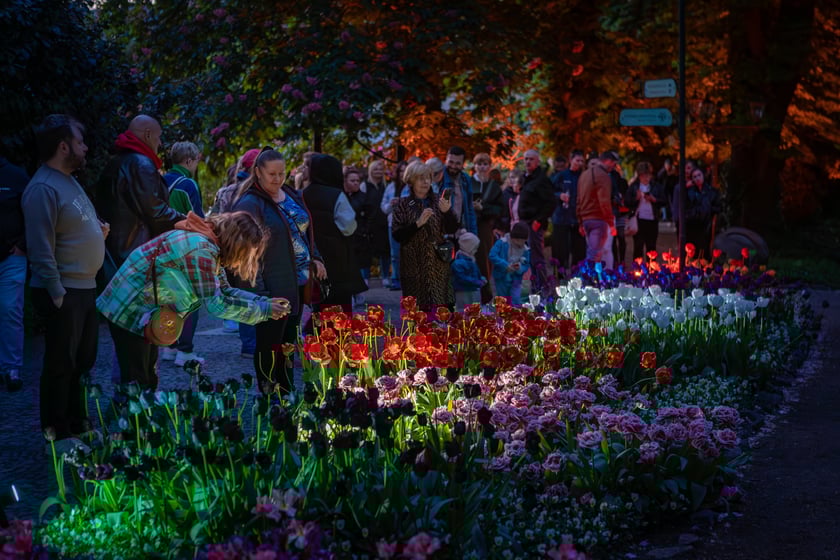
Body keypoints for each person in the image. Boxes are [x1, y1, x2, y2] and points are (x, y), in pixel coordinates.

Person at [97, 211, 290, 390]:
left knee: (145, 375)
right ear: (236, 244)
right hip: (128, 305)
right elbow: (217, 304)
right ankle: (128, 424)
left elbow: (224, 290)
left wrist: (262, 301)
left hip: (140, 305)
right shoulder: (202, 249)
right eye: (245, 254)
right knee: (136, 379)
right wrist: (263, 310)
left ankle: (137, 421)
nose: (242, 260)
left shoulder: (208, 242)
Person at [22, 115, 106, 450]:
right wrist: (56, 291)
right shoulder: (43, 187)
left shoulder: (69, 180)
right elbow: (40, 246)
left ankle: (77, 424)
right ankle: (57, 433)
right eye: (80, 141)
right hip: (64, 291)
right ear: (63, 146)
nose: (85, 147)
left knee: (82, 361)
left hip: (83, 287)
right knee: (61, 363)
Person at [233, 149, 326, 394]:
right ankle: (268, 394)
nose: (277, 179)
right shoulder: (249, 204)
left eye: (282, 173)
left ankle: (287, 392)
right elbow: (243, 256)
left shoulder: (291, 195)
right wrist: (259, 294)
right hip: (271, 287)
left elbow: (303, 232)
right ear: (257, 172)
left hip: (298, 282)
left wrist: (316, 258)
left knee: (287, 343)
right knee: (268, 344)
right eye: (271, 174)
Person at [95, 114, 184, 271]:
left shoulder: (116, 162)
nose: (160, 142)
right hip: (135, 256)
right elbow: (157, 212)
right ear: (148, 135)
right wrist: (189, 222)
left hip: (114, 254)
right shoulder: (141, 164)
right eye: (159, 137)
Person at [303, 154, 367, 314]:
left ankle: (318, 335)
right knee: (339, 305)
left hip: (313, 254)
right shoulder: (336, 195)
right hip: (337, 256)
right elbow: (348, 226)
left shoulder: (302, 194)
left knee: (320, 300)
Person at [211, 147, 260, 354]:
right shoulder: (257, 191)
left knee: (241, 292)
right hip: (252, 248)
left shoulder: (225, 192)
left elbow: (215, 217)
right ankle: (252, 344)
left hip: (228, 249)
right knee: (252, 292)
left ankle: (247, 344)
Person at [161, 141, 206, 366]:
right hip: (185, 247)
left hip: (162, 247)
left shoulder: (161, 179)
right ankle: (185, 352)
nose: (197, 165)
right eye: (197, 160)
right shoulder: (187, 183)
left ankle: (169, 347)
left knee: (169, 299)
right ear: (189, 160)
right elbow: (196, 218)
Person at [392, 161, 458, 311]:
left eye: (428, 177)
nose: (426, 182)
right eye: (421, 178)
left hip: (438, 263)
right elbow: (397, 235)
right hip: (413, 264)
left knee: (442, 306)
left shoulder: (438, 201)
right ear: (411, 179)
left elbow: (453, 228)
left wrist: (447, 212)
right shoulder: (403, 204)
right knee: (417, 310)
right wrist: (417, 224)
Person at [0, 155, 29, 392]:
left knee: (10, 309)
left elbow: (34, 212)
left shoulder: (15, 176)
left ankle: (11, 367)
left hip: (11, 255)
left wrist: (22, 245)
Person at [517, 149, 556, 296]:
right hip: (525, 223)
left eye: (531, 159)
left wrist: (539, 220)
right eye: (526, 159)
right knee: (528, 258)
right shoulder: (527, 178)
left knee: (536, 257)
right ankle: (535, 287)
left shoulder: (541, 179)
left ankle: (542, 289)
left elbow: (551, 202)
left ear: (537, 161)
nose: (527, 162)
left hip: (534, 224)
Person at [470, 153, 503, 303]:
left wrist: (483, 208)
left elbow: (500, 209)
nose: (482, 167)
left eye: (485, 164)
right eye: (479, 163)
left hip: (485, 226)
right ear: (474, 166)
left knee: (484, 260)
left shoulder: (494, 186)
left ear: (489, 166)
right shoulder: (468, 183)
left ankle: (485, 294)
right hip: (468, 225)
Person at [577, 151, 618, 268]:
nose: (613, 168)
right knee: (594, 254)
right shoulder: (603, 176)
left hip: (586, 219)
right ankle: (586, 281)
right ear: (608, 162)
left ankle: (589, 279)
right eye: (614, 165)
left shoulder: (584, 175)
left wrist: (580, 221)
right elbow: (604, 201)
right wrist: (610, 223)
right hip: (598, 218)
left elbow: (578, 200)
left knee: (592, 250)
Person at [550, 149, 586, 277]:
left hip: (578, 219)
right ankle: (560, 275)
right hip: (561, 218)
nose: (579, 163)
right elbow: (550, 192)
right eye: (577, 160)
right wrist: (560, 195)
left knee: (579, 250)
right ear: (571, 160)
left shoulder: (584, 176)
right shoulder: (561, 176)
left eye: (582, 161)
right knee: (561, 250)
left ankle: (577, 275)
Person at [625, 161, 666, 260]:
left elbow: (664, 201)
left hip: (652, 220)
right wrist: (636, 198)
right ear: (639, 176)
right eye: (643, 176)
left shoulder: (656, 186)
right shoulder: (634, 187)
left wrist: (654, 200)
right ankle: (638, 271)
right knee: (638, 246)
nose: (646, 178)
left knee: (651, 247)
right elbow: (627, 202)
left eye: (648, 175)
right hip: (639, 219)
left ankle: (651, 269)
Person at [360, 159, 390, 286]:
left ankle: (385, 277)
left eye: (380, 169)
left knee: (385, 252)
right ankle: (365, 278)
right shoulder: (364, 186)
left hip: (383, 222)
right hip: (369, 223)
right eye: (375, 169)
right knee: (366, 252)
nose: (378, 171)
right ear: (370, 170)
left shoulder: (387, 186)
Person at [380, 159, 409, 291]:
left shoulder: (413, 186)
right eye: (401, 171)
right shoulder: (390, 187)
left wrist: (403, 202)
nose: (403, 173)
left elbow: (417, 204)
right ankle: (395, 279)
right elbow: (383, 207)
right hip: (393, 224)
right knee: (395, 254)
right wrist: (390, 204)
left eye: (405, 170)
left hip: (409, 224)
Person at [489, 221, 530, 305]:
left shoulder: (525, 250)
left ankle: (514, 315)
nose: (519, 243)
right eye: (517, 240)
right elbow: (492, 255)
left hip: (516, 278)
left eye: (521, 241)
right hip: (502, 277)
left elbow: (526, 264)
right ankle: (502, 316)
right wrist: (505, 265)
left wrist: (520, 268)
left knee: (515, 299)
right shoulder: (502, 243)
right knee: (502, 299)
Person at [440, 146, 478, 236]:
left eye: (457, 163)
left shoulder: (465, 180)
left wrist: (473, 234)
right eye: (451, 162)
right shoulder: (439, 177)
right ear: (446, 160)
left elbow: (469, 209)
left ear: (463, 164)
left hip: (460, 232)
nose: (453, 166)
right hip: (442, 232)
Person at [451, 231, 486, 309]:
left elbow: (476, 272)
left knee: (474, 311)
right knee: (464, 311)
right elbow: (462, 278)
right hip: (463, 292)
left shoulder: (471, 259)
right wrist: (477, 282)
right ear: (469, 247)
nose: (476, 250)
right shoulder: (458, 263)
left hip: (473, 290)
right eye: (475, 248)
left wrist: (480, 278)